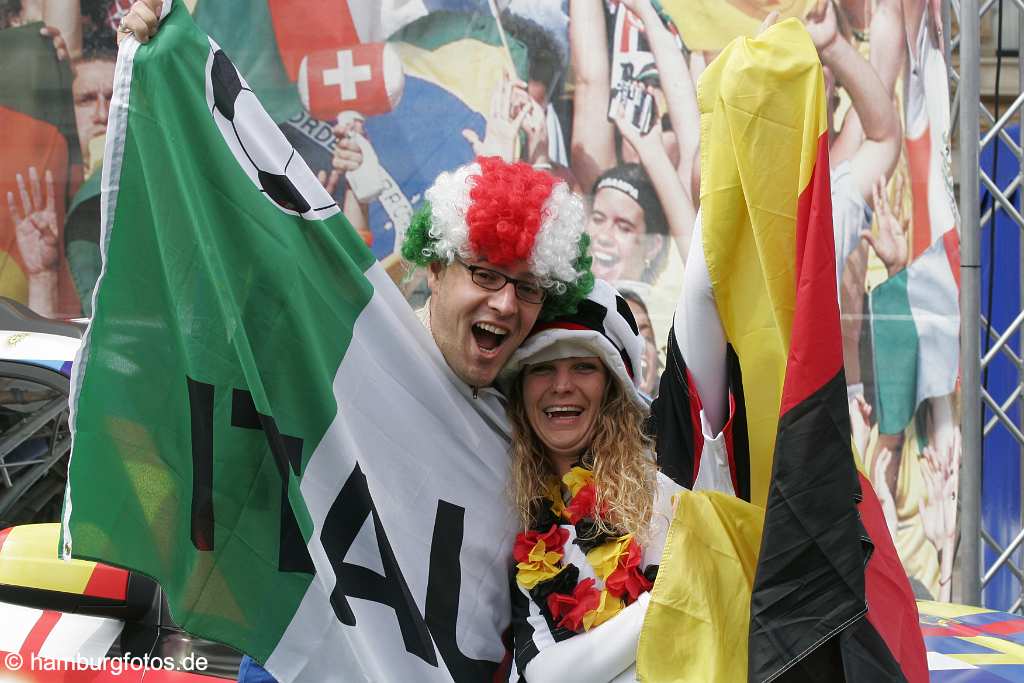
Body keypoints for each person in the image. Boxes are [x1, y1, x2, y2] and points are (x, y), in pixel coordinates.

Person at [497, 279, 734, 681]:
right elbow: (543, 675)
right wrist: (661, 600)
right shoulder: (526, 529)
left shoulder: (666, 477)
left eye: (584, 366)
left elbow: (702, 291)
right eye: (542, 368)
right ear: (520, 392)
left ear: (612, 388)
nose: (562, 385)